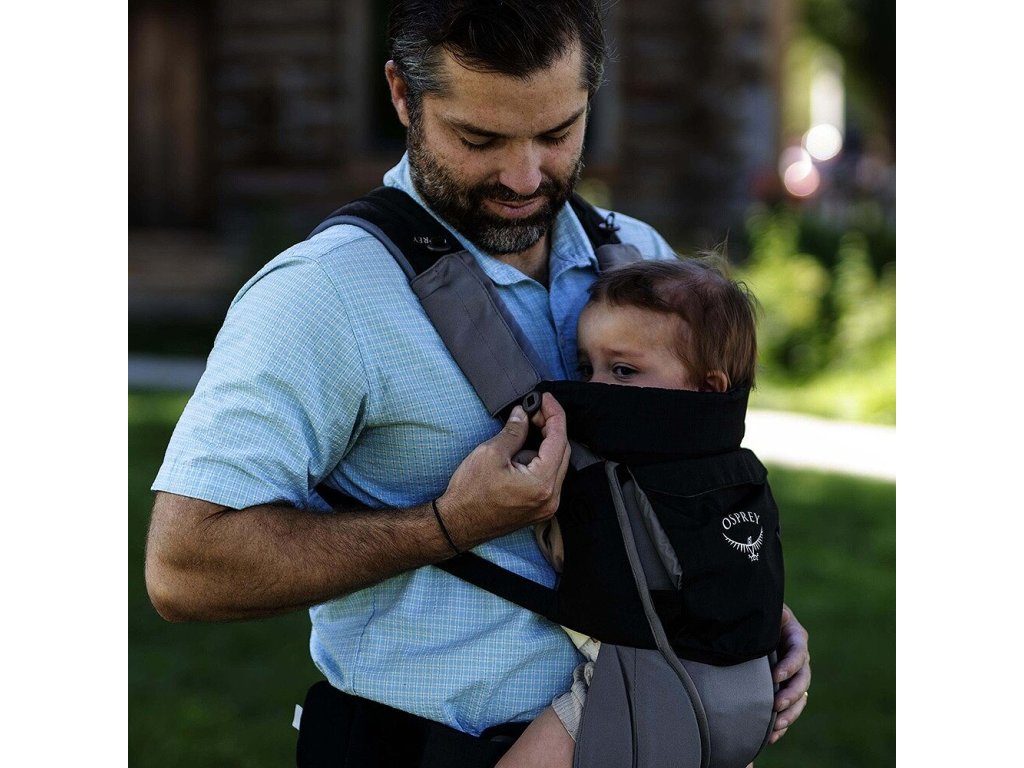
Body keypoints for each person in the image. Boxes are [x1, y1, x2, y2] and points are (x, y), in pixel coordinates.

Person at [144, 2, 811, 764]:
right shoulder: (323, 293)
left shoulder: (639, 261)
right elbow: (183, 566)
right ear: (403, 95)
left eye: (557, 133)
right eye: (480, 139)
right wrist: (446, 525)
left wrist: (740, 604)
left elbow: (680, 495)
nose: (524, 177)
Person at [497, 255, 775, 768]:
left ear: (709, 387)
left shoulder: (615, 473)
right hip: (745, 698)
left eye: (623, 370)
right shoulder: (736, 475)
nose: (595, 388)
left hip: (638, 688)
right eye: (587, 368)